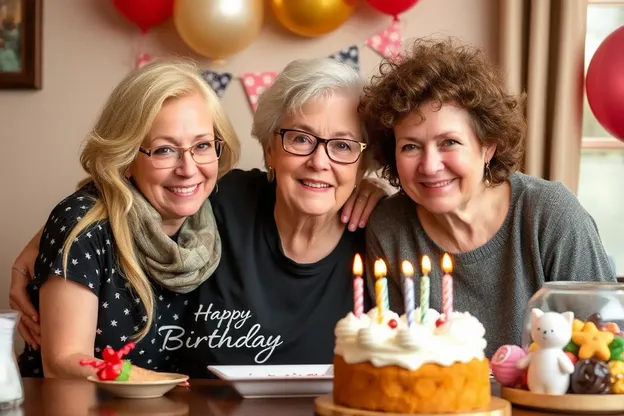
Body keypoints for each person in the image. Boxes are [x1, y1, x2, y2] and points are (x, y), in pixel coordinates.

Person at [10, 58, 386, 378]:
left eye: (343, 146)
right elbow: (118, 201)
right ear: (270, 149)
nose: (320, 162)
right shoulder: (222, 200)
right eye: (301, 139)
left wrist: (380, 195)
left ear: (364, 160)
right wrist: (51, 239)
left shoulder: (382, 233)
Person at [358, 37, 617, 358]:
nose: (430, 165)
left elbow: (606, 344)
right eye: (410, 146)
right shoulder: (389, 227)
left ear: (487, 146)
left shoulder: (549, 214)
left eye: (449, 142)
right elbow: (397, 357)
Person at [15, 59, 241, 379]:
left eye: (202, 145)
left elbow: (300, 184)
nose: (189, 169)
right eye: (164, 150)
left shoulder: (221, 209)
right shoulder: (84, 227)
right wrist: (149, 380)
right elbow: (62, 361)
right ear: (126, 158)